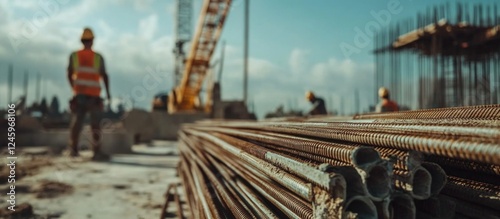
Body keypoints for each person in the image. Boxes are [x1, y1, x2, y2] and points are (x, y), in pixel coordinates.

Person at [67, 27, 111, 161]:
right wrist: (108, 93)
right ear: (92, 41)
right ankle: (97, 152)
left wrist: (74, 88)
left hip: (79, 94)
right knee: (96, 124)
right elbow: (104, 76)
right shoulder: (98, 57)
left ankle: (73, 150)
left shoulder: (74, 55)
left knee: (77, 123)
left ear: (82, 40)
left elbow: (69, 74)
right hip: (94, 95)